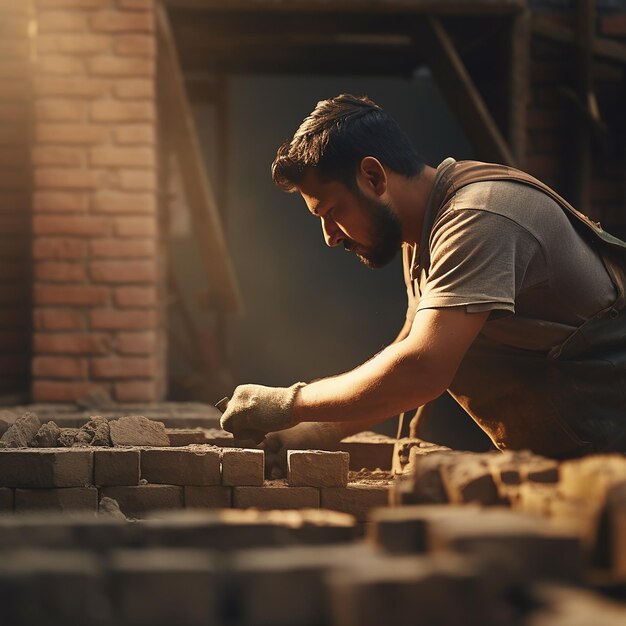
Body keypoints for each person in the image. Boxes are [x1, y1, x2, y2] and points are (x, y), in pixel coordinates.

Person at [220, 94, 626, 473]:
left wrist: (287, 404)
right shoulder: (422, 234)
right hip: (583, 463)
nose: (331, 235)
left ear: (373, 176)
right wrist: (319, 431)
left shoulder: (479, 218)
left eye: (331, 211)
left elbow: (421, 368)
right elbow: (406, 356)